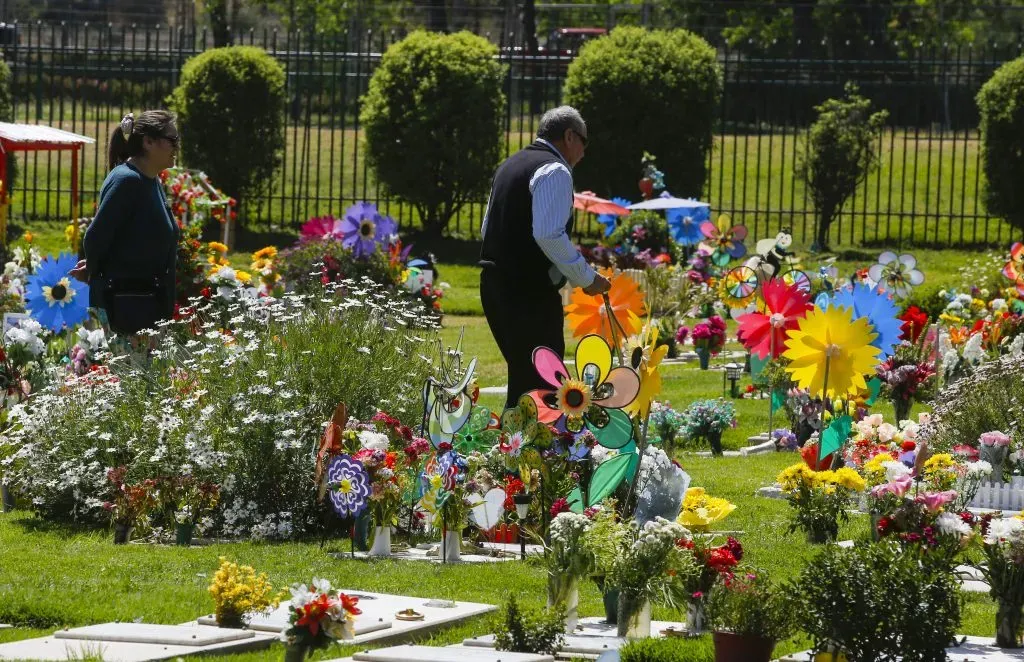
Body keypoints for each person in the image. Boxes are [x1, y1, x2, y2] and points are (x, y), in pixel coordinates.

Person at [479, 105, 610, 410]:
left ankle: (512, 450)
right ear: (569, 136)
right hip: (527, 292)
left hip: (494, 285)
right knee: (542, 383)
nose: (584, 153)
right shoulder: (555, 169)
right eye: (584, 142)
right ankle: (532, 453)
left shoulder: (509, 165)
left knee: (525, 378)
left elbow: (487, 228)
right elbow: (549, 235)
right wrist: (586, 278)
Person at [71, 111, 180, 337]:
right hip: (123, 311)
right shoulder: (127, 181)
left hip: (141, 306)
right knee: (122, 373)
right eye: (172, 140)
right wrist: (93, 268)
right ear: (148, 142)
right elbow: (95, 238)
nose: (176, 147)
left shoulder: (150, 180)